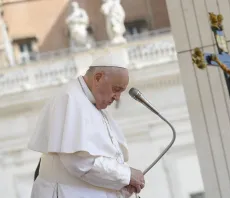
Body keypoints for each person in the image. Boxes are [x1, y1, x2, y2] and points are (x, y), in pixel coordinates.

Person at [28, 49, 145, 198]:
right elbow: (80, 162)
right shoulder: (70, 98)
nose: (117, 98)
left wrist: (121, 185)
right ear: (98, 78)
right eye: (116, 89)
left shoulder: (92, 103)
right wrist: (126, 175)